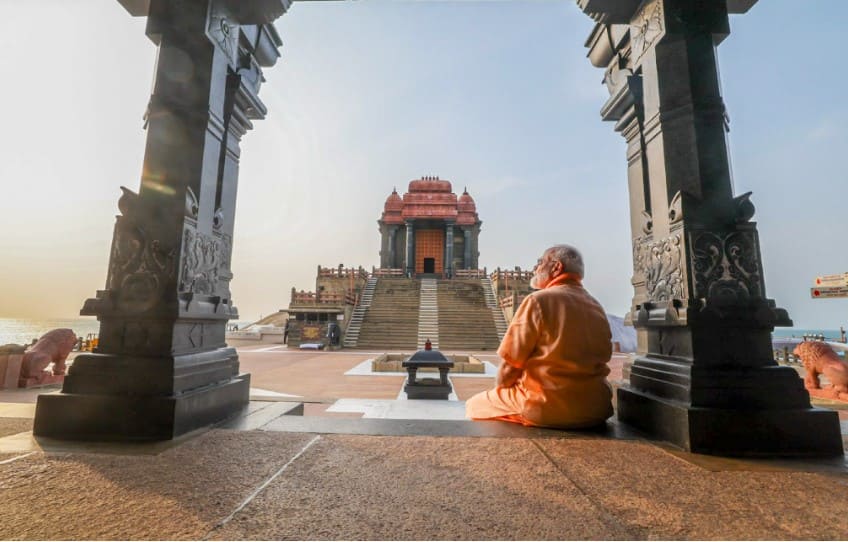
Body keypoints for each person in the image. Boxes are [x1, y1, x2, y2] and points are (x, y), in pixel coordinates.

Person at [466, 244, 614, 429]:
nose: (535, 268)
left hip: (546, 407)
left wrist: (505, 390)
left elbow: (507, 372)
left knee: (474, 405)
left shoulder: (537, 300)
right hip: (596, 408)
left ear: (556, 267)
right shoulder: (596, 305)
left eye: (540, 262)